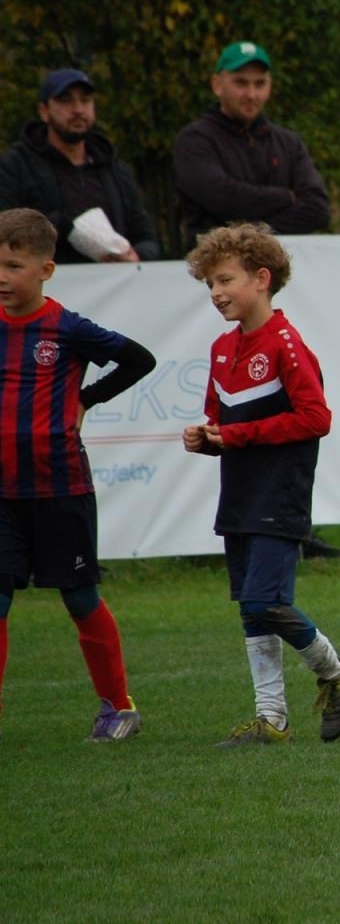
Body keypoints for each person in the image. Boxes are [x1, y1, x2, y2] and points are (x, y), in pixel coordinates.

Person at [181, 223, 340, 745]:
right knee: (250, 607)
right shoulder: (221, 348)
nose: (215, 293)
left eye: (224, 280)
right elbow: (224, 422)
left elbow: (315, 418)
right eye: (209, 284)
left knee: (266, 601)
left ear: (262, 279)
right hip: (238, 493)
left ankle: (335, 671)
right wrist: (206, 436)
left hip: (280, 493)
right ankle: (272, 720)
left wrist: (234, 434)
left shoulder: (286, 344)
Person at [0, 208, 155, 741]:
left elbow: (139, 360)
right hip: (2, 493)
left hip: (60, 487)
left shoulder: (66, 328)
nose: (2, 276)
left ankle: (119, 707)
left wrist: (86, 397)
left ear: (46, 270)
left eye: (13, 265)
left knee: (80, 598)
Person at [173, 41, 330, 248]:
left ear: (270, 86)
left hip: (281, 271)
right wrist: (285, 197)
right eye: (241, 83)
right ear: (217, 85)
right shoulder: (194, 141)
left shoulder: (288, 143)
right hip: (213, 274)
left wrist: (243, 237)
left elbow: (318, 210)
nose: (251, 94)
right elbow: (222, 198)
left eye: (259, 84)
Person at [0, 69, 160, 264]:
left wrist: (134, 256)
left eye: (85, 100)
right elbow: (7, 234)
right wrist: (62, 226)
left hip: (115, 289)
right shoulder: (15, 166)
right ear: (44, 111)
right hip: (47, 286)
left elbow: (148, 239)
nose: (78, 109)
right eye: (65, 100)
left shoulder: (115, 170)